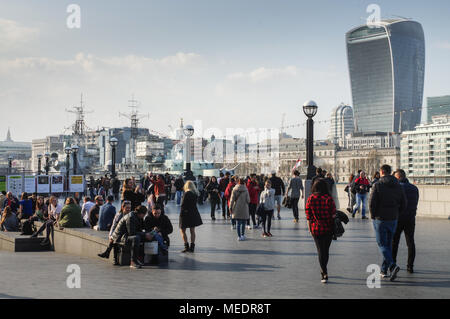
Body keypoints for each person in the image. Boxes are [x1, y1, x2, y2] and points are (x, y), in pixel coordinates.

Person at [369, 164, 406, 281]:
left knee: (382, 244)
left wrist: (373, 216)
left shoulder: (377, 185)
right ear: (390, 172)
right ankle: (384, 270)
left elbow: (372, 203)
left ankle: (392, 265)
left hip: (380, 219)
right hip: (393, 218)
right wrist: (397, 213)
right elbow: (404, 203)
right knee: (388, 244)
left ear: (381, 172)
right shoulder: (398, 185)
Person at [305, 178, 336, 283]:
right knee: (326, 250)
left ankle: (324, 271)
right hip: (328, 228)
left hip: (316, 228)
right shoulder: (328, 198)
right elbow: (333, 214)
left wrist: (310, 229)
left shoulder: (310, 199)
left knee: (320, 251)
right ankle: (324, 269)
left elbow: (308, 216)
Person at [392, 169, 419, 273]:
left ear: (398, 177)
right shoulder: (414, 188)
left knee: (394, 242)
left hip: (398, 218)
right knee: (410, 242)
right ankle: (410, 266)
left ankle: (393, 264)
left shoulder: (397, 188)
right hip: (410, 218)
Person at [179, 181, 203, 253]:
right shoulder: (195, 193)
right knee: (192, 231)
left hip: (185, 214)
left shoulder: (186, 193)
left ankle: (186, 246)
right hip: (193, 213)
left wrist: (181, 214)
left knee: (182, 230)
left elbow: (183, 205)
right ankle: (192, 247)